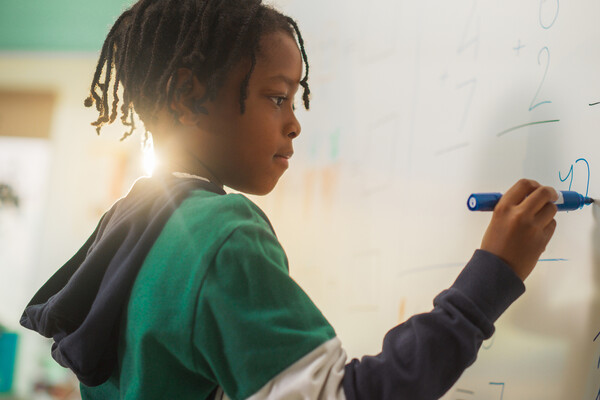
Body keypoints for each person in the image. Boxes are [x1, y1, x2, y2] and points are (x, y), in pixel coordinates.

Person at [19, 0, 559, 399]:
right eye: (276, 97)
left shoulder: (134, 217)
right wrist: (491, 277)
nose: (295, 124)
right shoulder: (219, 234)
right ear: (186, 96)